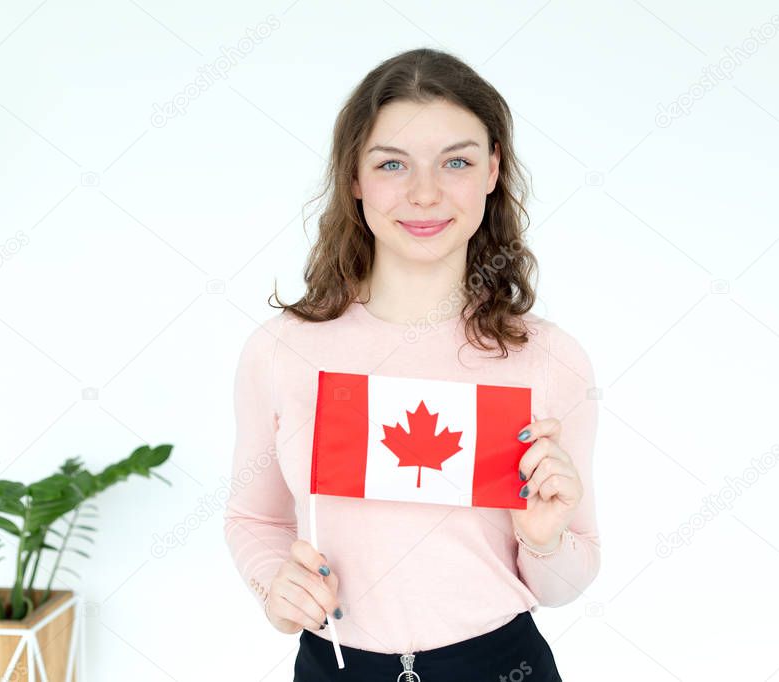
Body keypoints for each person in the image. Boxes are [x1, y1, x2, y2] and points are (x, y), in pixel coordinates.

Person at [223, 47, 600, 682]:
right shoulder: (281, 350)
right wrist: (273, 586)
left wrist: (543, 537)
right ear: (354, 179)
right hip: (335, 666)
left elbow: (565, 582)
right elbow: (254, 518)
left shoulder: (548, 359)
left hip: (503, 663)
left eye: (456, 161)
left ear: (492, 172)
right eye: (393, 163)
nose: (425, 193)